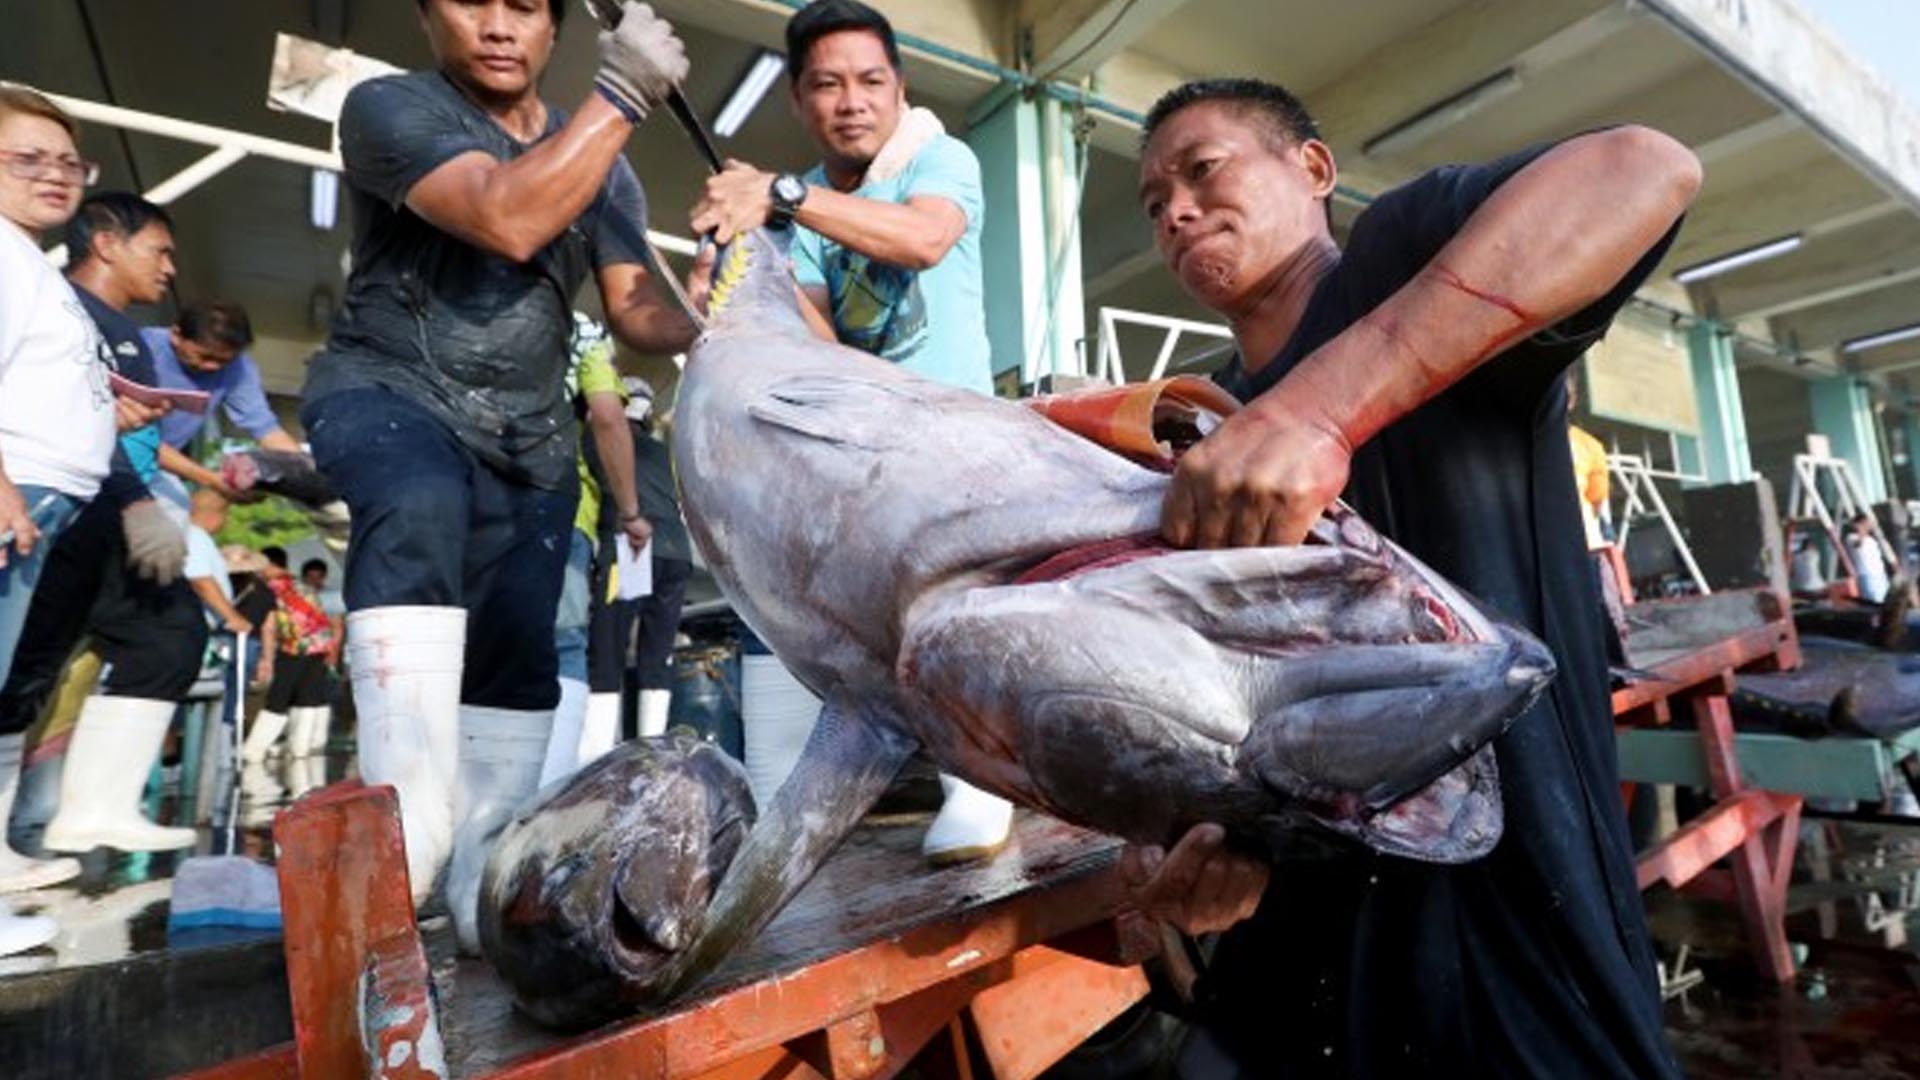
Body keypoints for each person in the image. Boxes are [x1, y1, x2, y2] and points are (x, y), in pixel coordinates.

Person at [1120, 80, 1698, 1077]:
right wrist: (1207, 834)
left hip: (1511, 946)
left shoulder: (1399, 264)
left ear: (1313, 169)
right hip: (1304, 960)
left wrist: (1321, 412)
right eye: (1154, 202)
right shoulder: (1206, 426)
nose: (1175, 211)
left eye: (1203, 171)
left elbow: (1643, 168)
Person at [302, 0, 700, 952]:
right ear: (425, 14)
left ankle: (479, 866)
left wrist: (719, 303)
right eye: (469, 0)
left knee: (520, 647)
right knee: (419, 503)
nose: (496, 25)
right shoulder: (387, 108)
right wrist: (622, 94)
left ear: (555, 26)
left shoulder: (601, 158)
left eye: (522, 5)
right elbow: (505, 215)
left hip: (529, 434)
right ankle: (409, 840)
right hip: (389, 391)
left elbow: (634, 309)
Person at [689, 0, 1011, 865]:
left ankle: (981, 785)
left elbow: (926, 239)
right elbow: (819, 340)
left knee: (958, 613)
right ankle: (850, 784)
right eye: (828, 85)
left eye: (871, 81)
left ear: (899, 88)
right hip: (865, 445)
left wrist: (782, 196)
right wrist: (742, 269)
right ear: (799, 100)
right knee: (862, 624)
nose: (852, 101)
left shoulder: (939, 159)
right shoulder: (798, 216)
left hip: (958, 440)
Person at [0, 85, 121, 956]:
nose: (55, 175)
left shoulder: (28, 259)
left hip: (42, 499)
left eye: (69, 162)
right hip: (19, 494)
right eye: (26, 158)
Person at [543, 314, 648, 786]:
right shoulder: (580, 327)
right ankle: (553, 787)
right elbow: (606, 415)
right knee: (565, 640)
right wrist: (630, 512)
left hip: (468, 505)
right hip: (557, 504)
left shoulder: (442, 294)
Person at [142, 300, 303, 506]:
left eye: (224, 361)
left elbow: (267, 431)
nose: (213, 367)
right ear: (176, 335)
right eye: (205, 356)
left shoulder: (239, 369)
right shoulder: (143, 346)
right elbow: (135, 437)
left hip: (154, 469)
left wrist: (307, 474)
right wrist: (211, 479)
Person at [613, 376, 690, 741]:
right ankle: (652, 746)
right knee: (657, 653)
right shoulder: (663, 453)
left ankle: (603, 750)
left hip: (636, 547)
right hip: (677, 551)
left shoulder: (608, 444)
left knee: (609, 649)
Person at [1846, 512, 1890, 603]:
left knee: (1885, 601)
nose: (1868, 526)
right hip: (1867, 575)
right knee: (1873, 602)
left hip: (1880, 574)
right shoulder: (1851, 537)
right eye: (1865, 523)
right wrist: (1861, 529)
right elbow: (1858, 545)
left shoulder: (1871, 539)